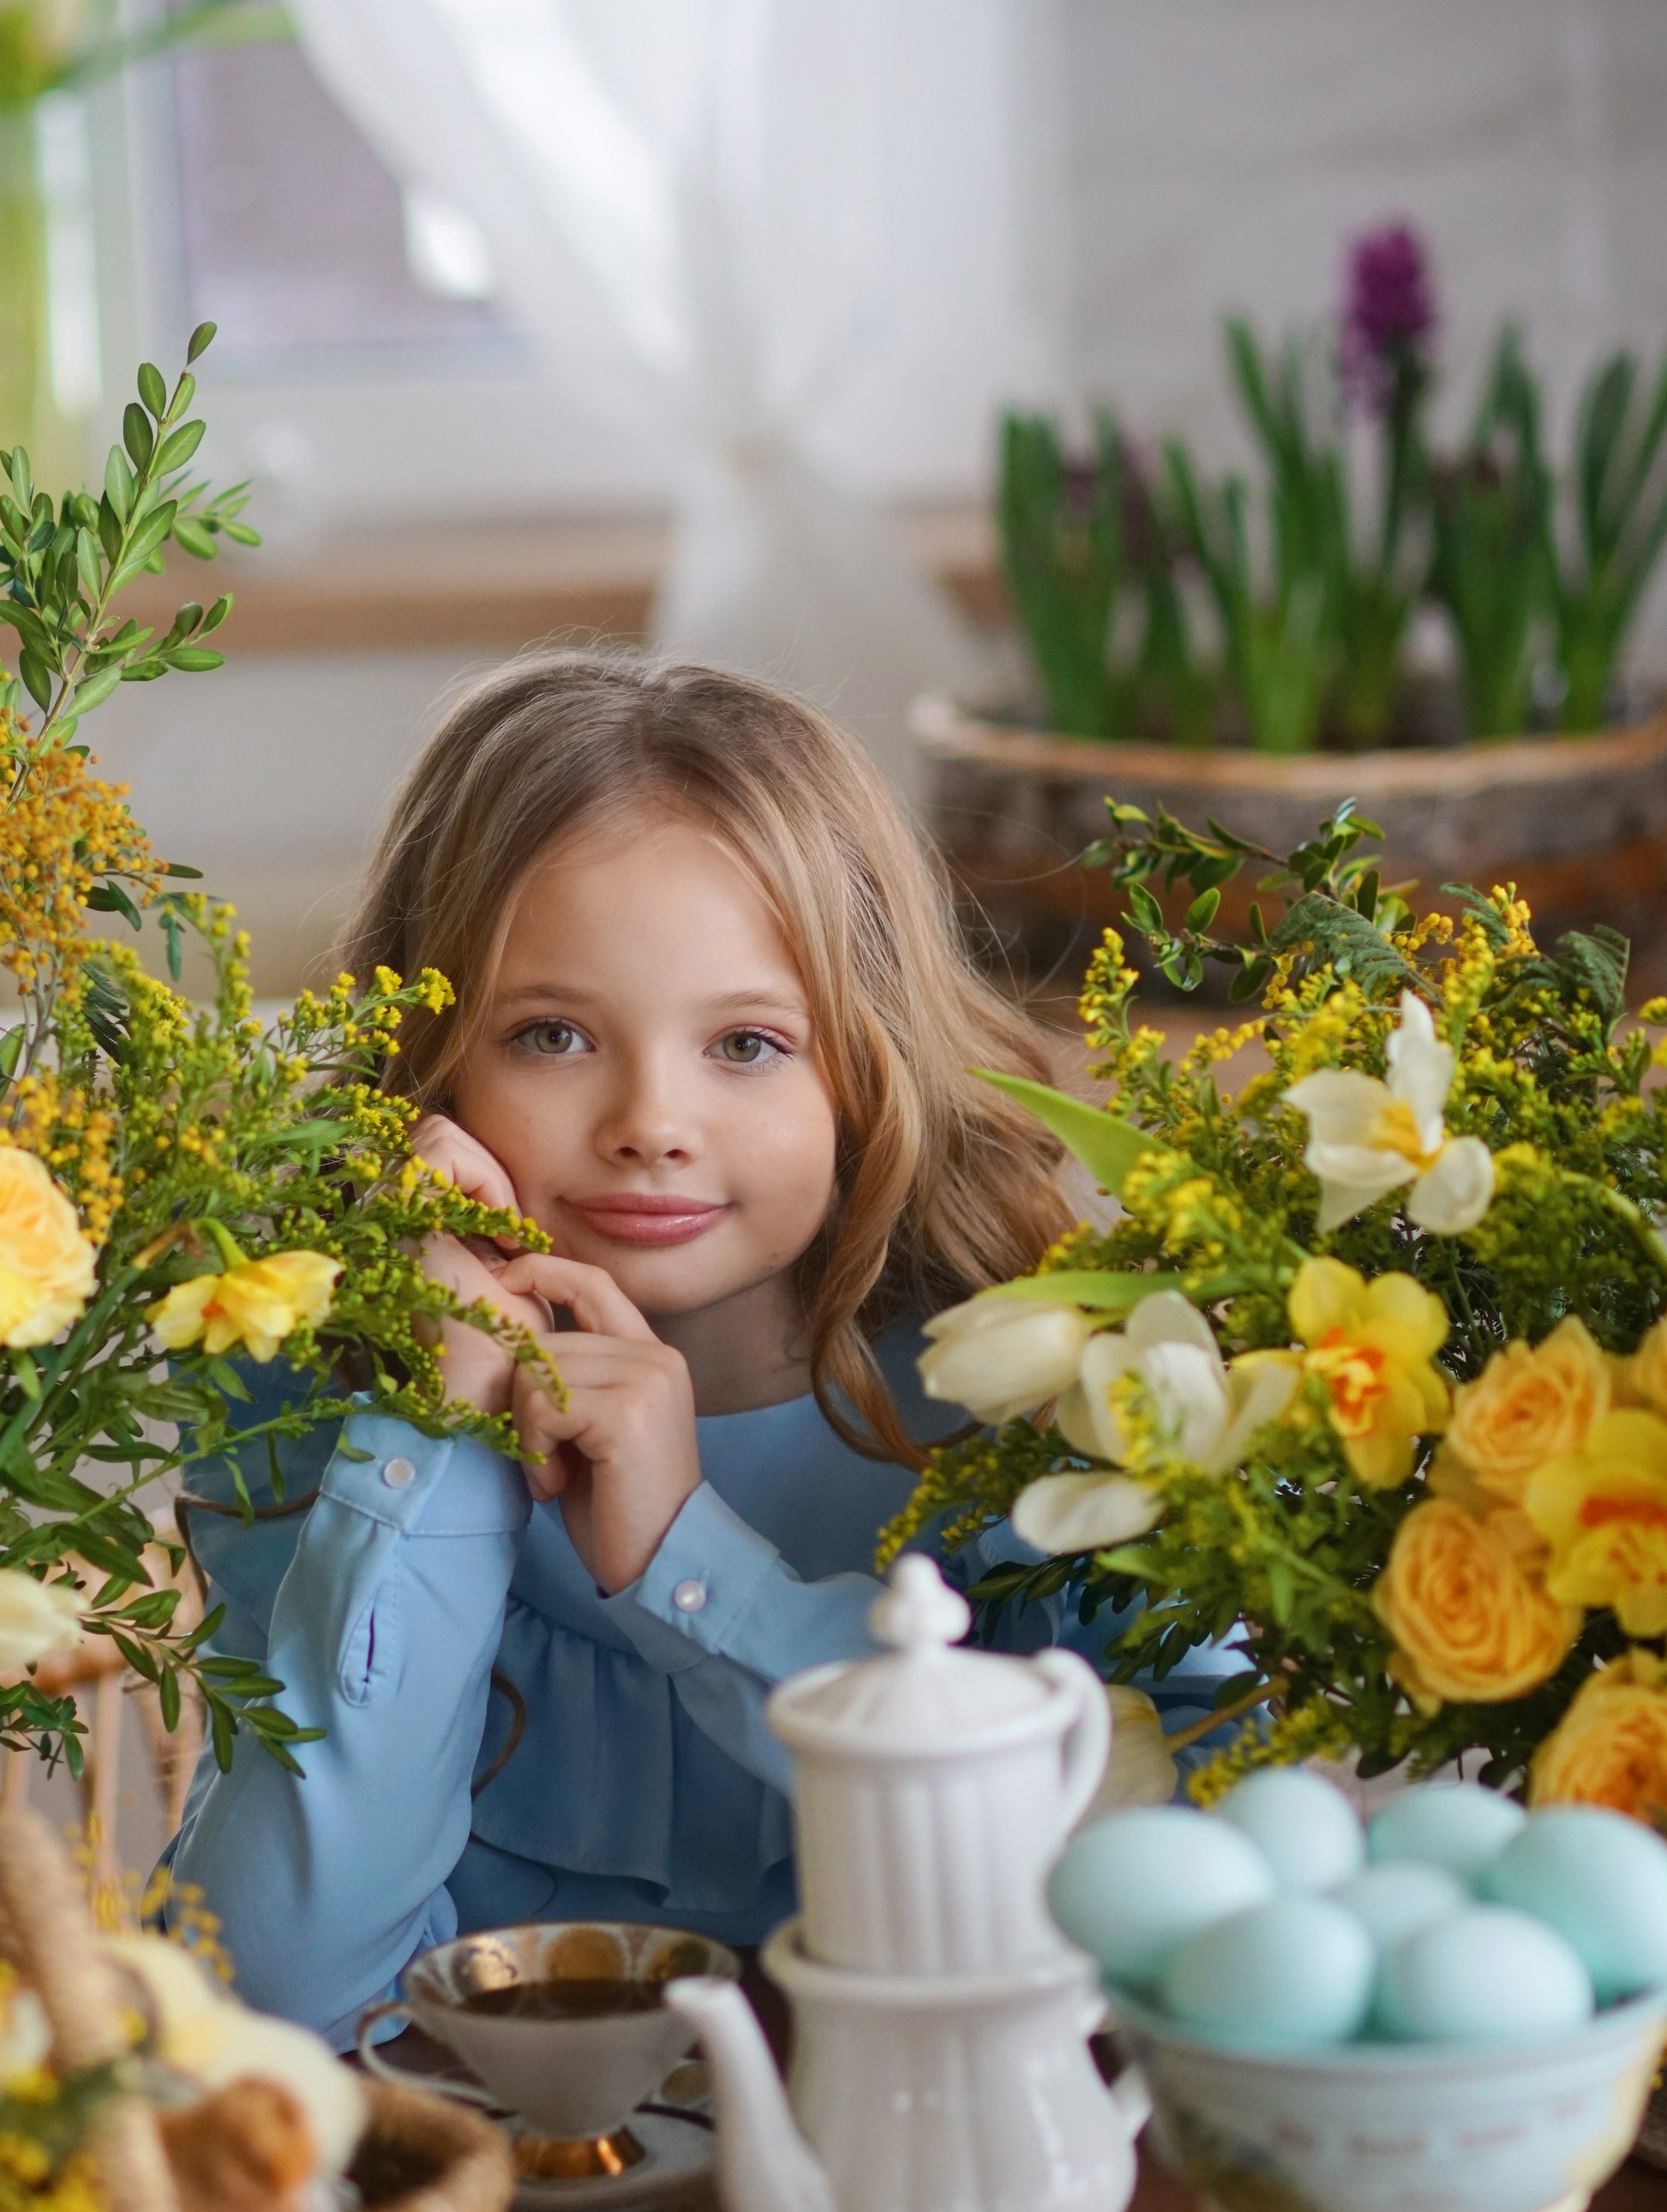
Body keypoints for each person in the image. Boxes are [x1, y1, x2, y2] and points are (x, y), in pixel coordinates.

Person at [171, 650, 1226, 2041]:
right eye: (552, 1034)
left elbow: (1146, 1906)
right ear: (425, 1062)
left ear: (866, 1053)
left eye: (745, 1043)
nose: (651, 1120)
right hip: (481, 2210)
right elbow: (276, 1993)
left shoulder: (1042, 1395)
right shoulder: (308, 1396)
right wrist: (442, 1427)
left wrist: (687, 1565)